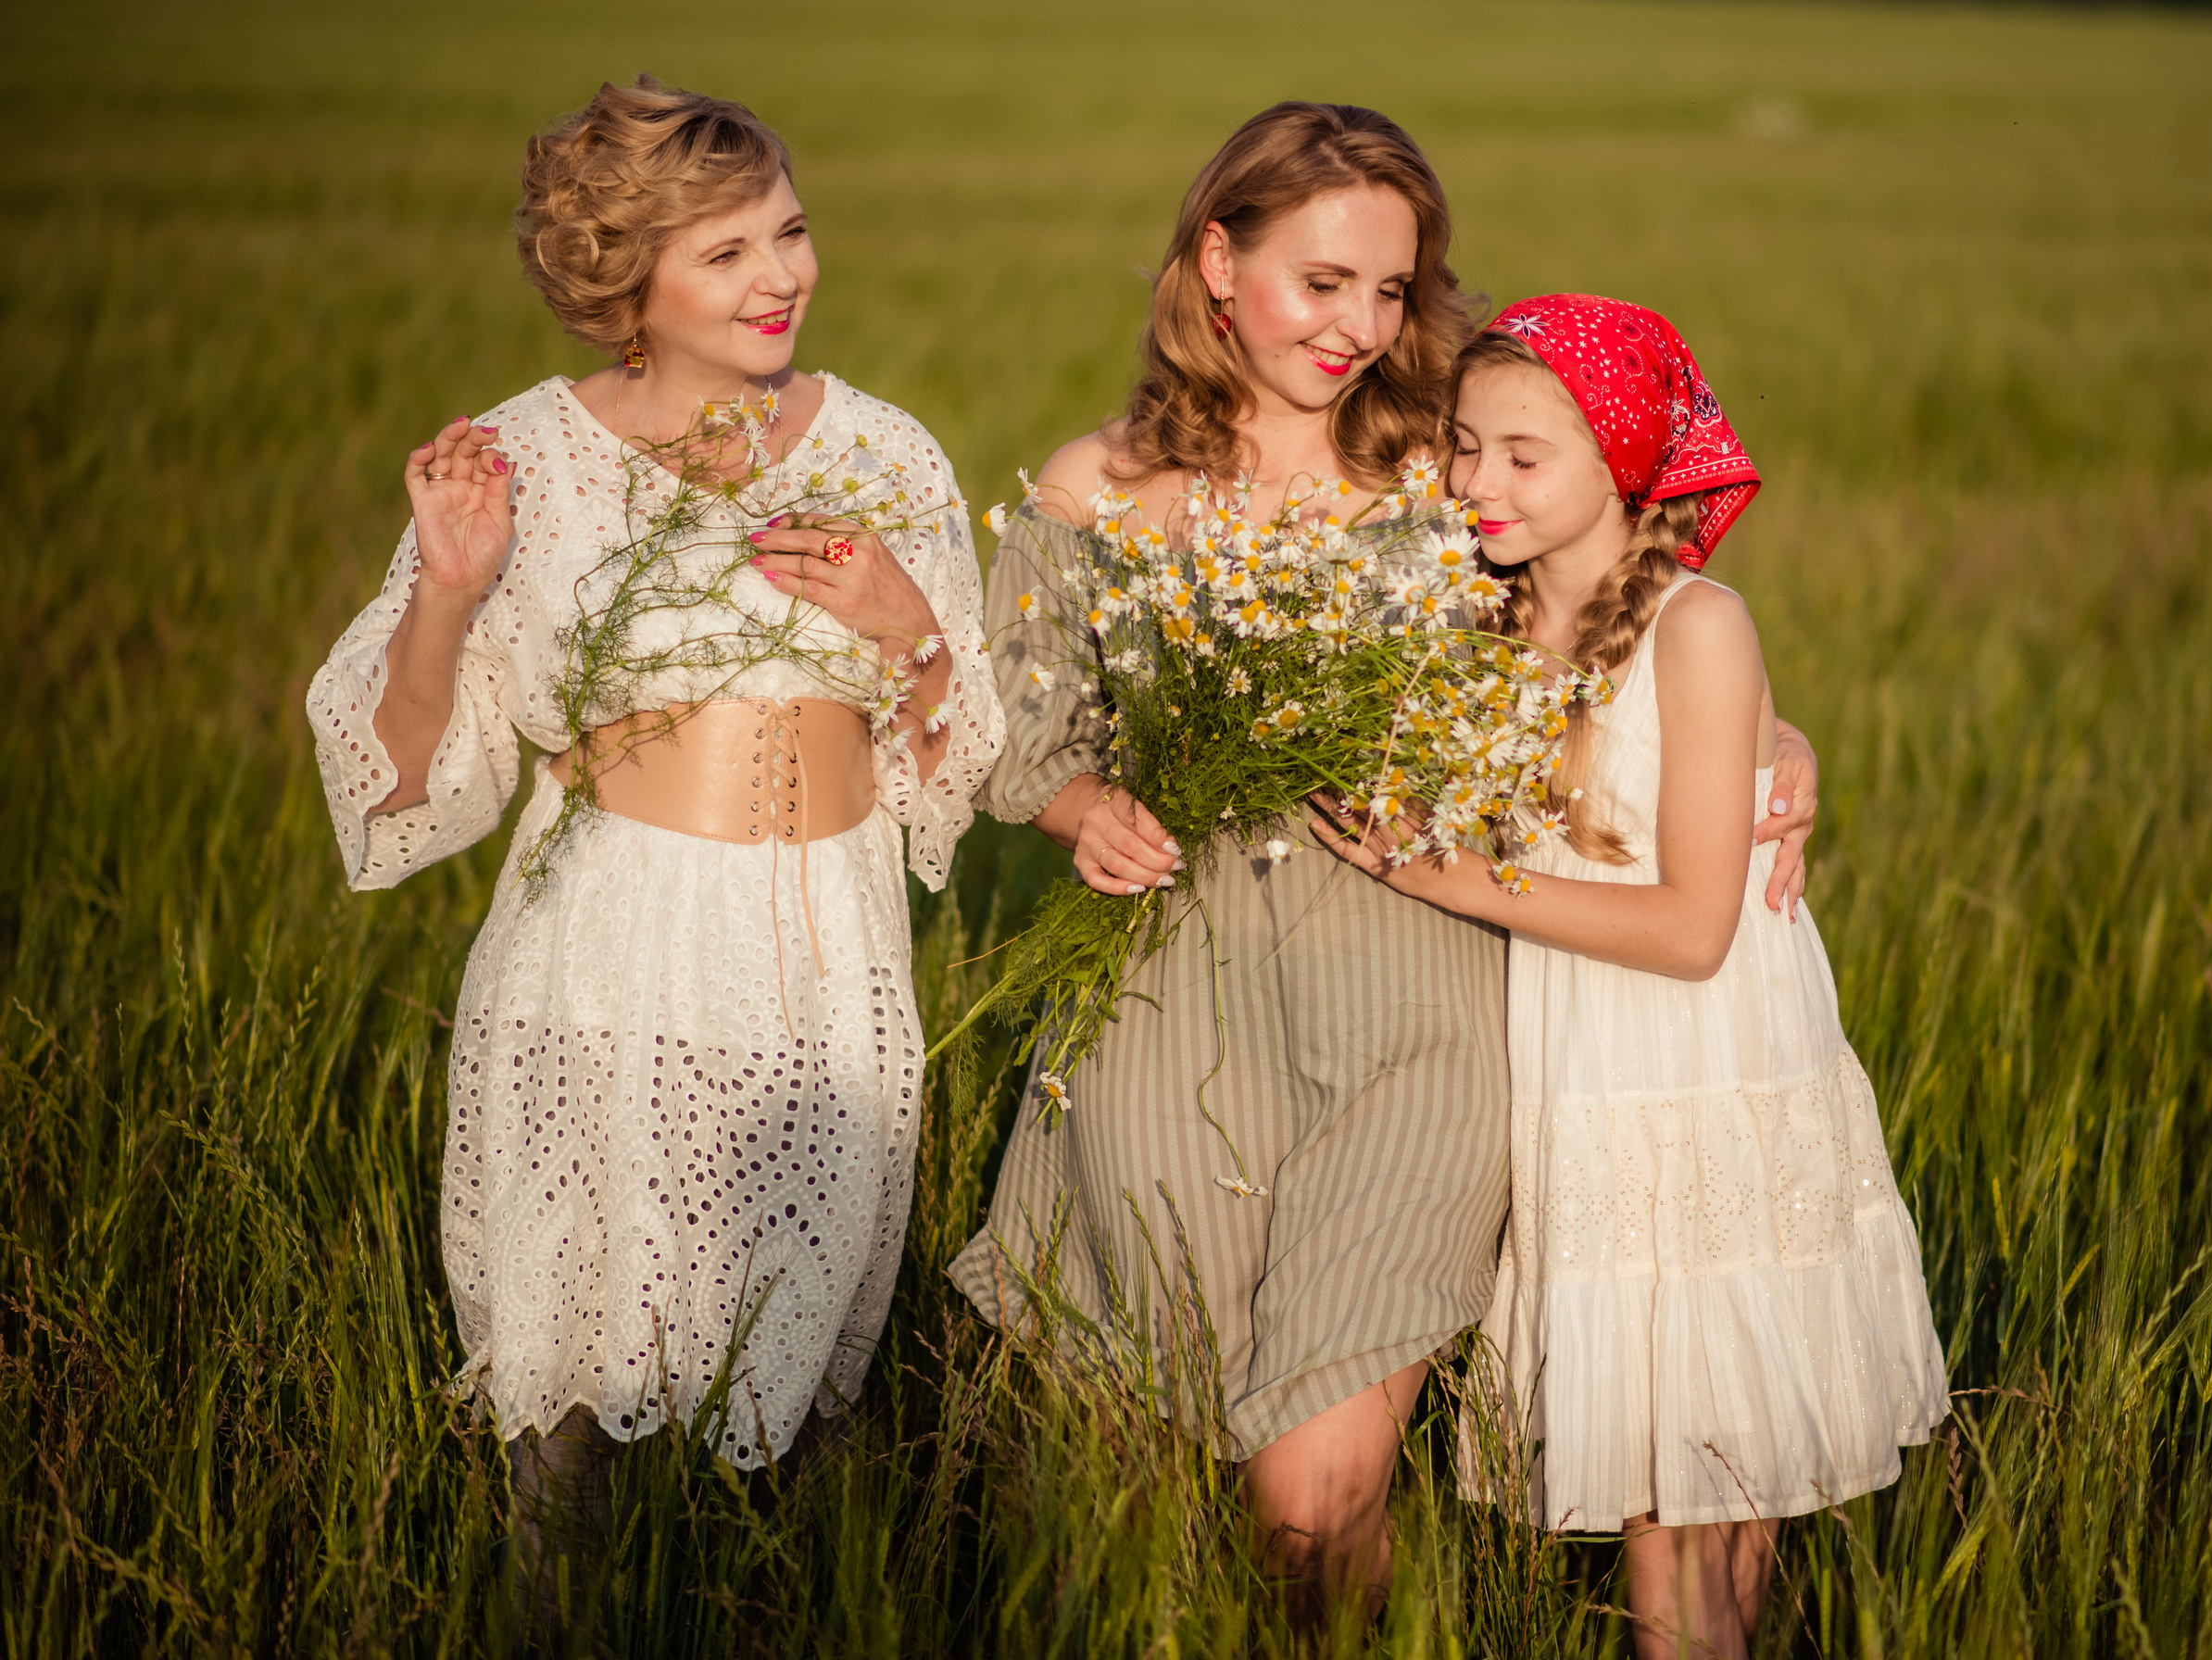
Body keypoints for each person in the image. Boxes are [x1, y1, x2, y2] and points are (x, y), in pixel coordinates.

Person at [947, 105, 1822, 1624]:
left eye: (1391, 290)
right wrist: (1084, 811)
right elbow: (1019, 739)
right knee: (1141, 1468)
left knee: (1314, 1502)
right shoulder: (1097, 487)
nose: (1358, 326)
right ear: (1218, 263)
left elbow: (1634, 628)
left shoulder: (1446, 471)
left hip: (1418, 1012)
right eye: (1323, 282)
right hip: (1167, 1008)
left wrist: (1776, 735)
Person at [304, 76, 1002, 1542]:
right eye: (727, 252)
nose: (781, 276)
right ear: (627, 280)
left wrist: (911, 629)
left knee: (807, 1411)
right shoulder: (529, 459)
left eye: (790, 233)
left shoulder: (886, 450)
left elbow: (962, 762)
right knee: (580, 1401)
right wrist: (448, 593)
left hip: (828, 956)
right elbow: (409, 774)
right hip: (606, 951)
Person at [1313, 295, 1949, 1659]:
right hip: (1580, 1072)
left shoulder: (1697, 625)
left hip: (1697, 1069)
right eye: (1464, 445)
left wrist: (1440, 875)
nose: (1477, 481)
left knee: (1692, 1524)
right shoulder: (1473, 618)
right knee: (1662, 1501)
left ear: (1623, 464)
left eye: (1523, 455)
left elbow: (1693, 930)